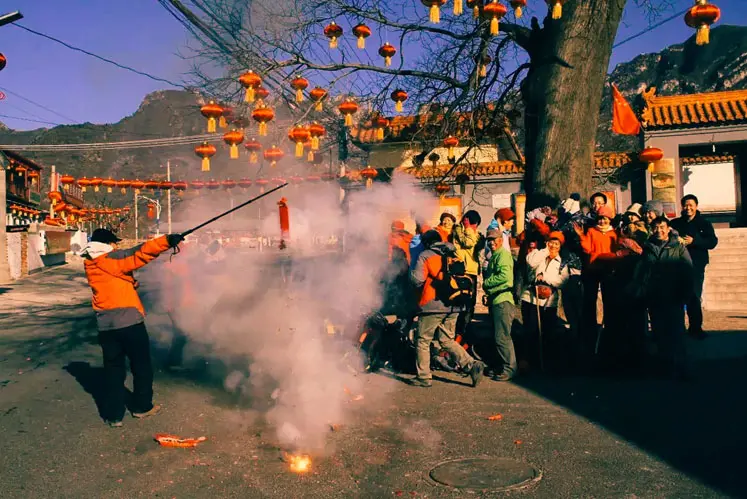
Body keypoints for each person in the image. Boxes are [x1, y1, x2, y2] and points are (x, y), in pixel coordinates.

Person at [81, 229, 183, 427]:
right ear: (107, 243)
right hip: (129, 323)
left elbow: (116, 279)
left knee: (113, 370)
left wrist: (130, 282)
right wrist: (167, 241)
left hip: (105, 325)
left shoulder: (91, 262)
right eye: (114, 243)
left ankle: (113, 415)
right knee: (141, 366)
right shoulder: (110, 258)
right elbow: (139, 253)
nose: (116, 246)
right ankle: (142, 407)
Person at [410, 230, 484, 388]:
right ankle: (471, 365)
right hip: (454, 303)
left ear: (427, 242)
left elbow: (418, 280)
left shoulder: (426, 255)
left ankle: (423, 376)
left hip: (432, 304)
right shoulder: (453, 252)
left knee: (423, 340)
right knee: (447, 340)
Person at [636, 217, 694, 380]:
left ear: (668, 228)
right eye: (655, 227)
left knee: (676, 333)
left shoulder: (679, 247)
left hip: (674, 296)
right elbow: (642, 272)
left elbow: (688, 271)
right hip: (654, 298)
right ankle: (665, 367)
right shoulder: (648, 247)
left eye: (662, 227)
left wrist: (686, 294)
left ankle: (682, 368)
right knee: (659, 333)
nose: (659, 230)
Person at [519, 231, 570, 373]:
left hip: (549, 302)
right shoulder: (538, 254)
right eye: (551, 242)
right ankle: (527, 362)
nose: (553, 246)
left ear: (560, 246)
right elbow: (530, 261)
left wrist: (545, 277)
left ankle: (546, 364)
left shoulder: (562, 263)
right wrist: (545, 251)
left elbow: (563, 281)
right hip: (530, 299)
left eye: (556, 243)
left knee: (547, 332)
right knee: (530, 331)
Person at [670, 194, 718, 340]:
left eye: (691, 205)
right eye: (685, 205)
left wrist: (694, 241)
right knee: (676, 297)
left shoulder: (704, 223)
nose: (688, 208)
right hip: (676, 264)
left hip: (696, 265)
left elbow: (712, 242)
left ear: (696, 206)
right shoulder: (676, 223)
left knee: (694, 296)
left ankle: (695, 328)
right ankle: (676, 328)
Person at [574, 205, 618, 360]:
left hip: (608, 269)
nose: (602, 221)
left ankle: (609, 326)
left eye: (605, 218)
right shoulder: (592, 231)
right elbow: (587, 249)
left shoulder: (614, 233)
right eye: (600, 218)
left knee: (609, 299)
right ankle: (589, 327)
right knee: (590, 299)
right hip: (593, 268)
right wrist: (581, 236)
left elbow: (616, 250)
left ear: (609, 219)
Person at [483, 228, 517, 381]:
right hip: (497, 300)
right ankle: (500, 366)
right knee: (499, 336)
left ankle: (509, 369)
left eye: (494, 239)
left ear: (501, 240)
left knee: (502, 337)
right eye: (489, 240)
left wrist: (487, 284)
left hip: (502, 301)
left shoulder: (502, 255)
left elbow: (505, 277)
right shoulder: (495, 256)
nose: (491, 242)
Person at [452, 210, 485, 337]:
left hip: (472, 270)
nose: (475, 228)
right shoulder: (460, 230)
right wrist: (468, 228)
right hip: (463, 271)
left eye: (476, 225)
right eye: (473, 224)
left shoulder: (472, 232)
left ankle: (466, 330)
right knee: (462, 304)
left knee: (471, 304)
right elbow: (468, 243)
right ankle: (459, 332)